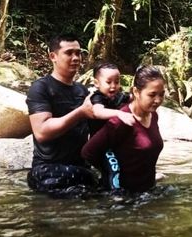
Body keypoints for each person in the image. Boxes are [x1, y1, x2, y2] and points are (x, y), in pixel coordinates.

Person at [25, 34, 133, 194]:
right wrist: (81, 112)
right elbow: (42, 132)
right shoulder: (41, 88)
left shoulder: (83, 91)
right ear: (53, 56)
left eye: (78, 53)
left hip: (81, 167)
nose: (76, 58)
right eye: (69, 53)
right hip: (49, 168)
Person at [81, 65, 165, 193]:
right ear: (136, 92)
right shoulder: (121, 120)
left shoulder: (153, 115)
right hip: (125, 198)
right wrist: (110, 171)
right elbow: (88, 152)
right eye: (152, 95)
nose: (158, 100)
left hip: (148, 191)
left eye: (161, 94)